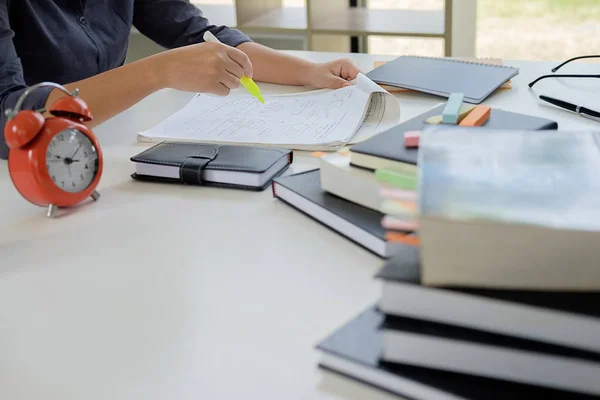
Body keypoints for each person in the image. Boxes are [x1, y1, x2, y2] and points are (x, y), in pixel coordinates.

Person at [0, 1, 361, 160]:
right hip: (23, 183)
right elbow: (10, 118)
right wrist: (159, 72)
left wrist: (306, 72)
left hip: (104, 155)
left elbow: (197, 33)